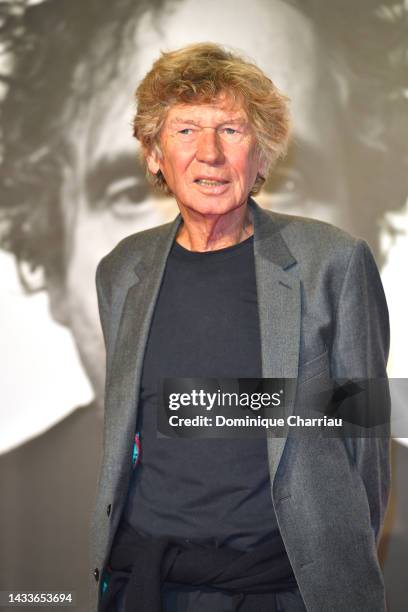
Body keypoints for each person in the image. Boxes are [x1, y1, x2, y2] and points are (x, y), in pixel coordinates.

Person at [91, 43, 390, 612]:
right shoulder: (121, 271)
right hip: (150, 585)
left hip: (281, 588)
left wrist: (335, 569)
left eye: (231, 130)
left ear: (262, 156)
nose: (209, 154)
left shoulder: (331, 262)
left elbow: (365, 452)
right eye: (185, 131)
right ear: (154, 154)